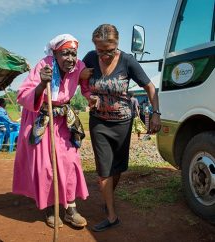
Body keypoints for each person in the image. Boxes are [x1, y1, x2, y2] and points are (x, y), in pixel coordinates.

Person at [81, 24, 161, 232]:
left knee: (117, 168)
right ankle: (112, 215)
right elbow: (76, 81)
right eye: (101, 50)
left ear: (117, 44)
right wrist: (84, 86)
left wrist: (155, 113)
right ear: (94, 47)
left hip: (123, 123)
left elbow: (150, 87)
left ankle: (109, 199)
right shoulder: (89, 58)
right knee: (104, 171)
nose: (106, 55)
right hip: (98, 121)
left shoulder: (127, 60)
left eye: (110, 50)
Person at [13, 34, 92, 229]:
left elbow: (86, 87)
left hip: (63, 119)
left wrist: (91, 98)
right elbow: (23, 95)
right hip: (40, 118)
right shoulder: (44, 65)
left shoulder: (79, 66)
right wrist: (41, 84)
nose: (70, 59)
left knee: (70, 161)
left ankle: (71, 209)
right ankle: (50, 208)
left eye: (73, 54)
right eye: (65, 54)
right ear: (55, 54)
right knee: (46, 166)